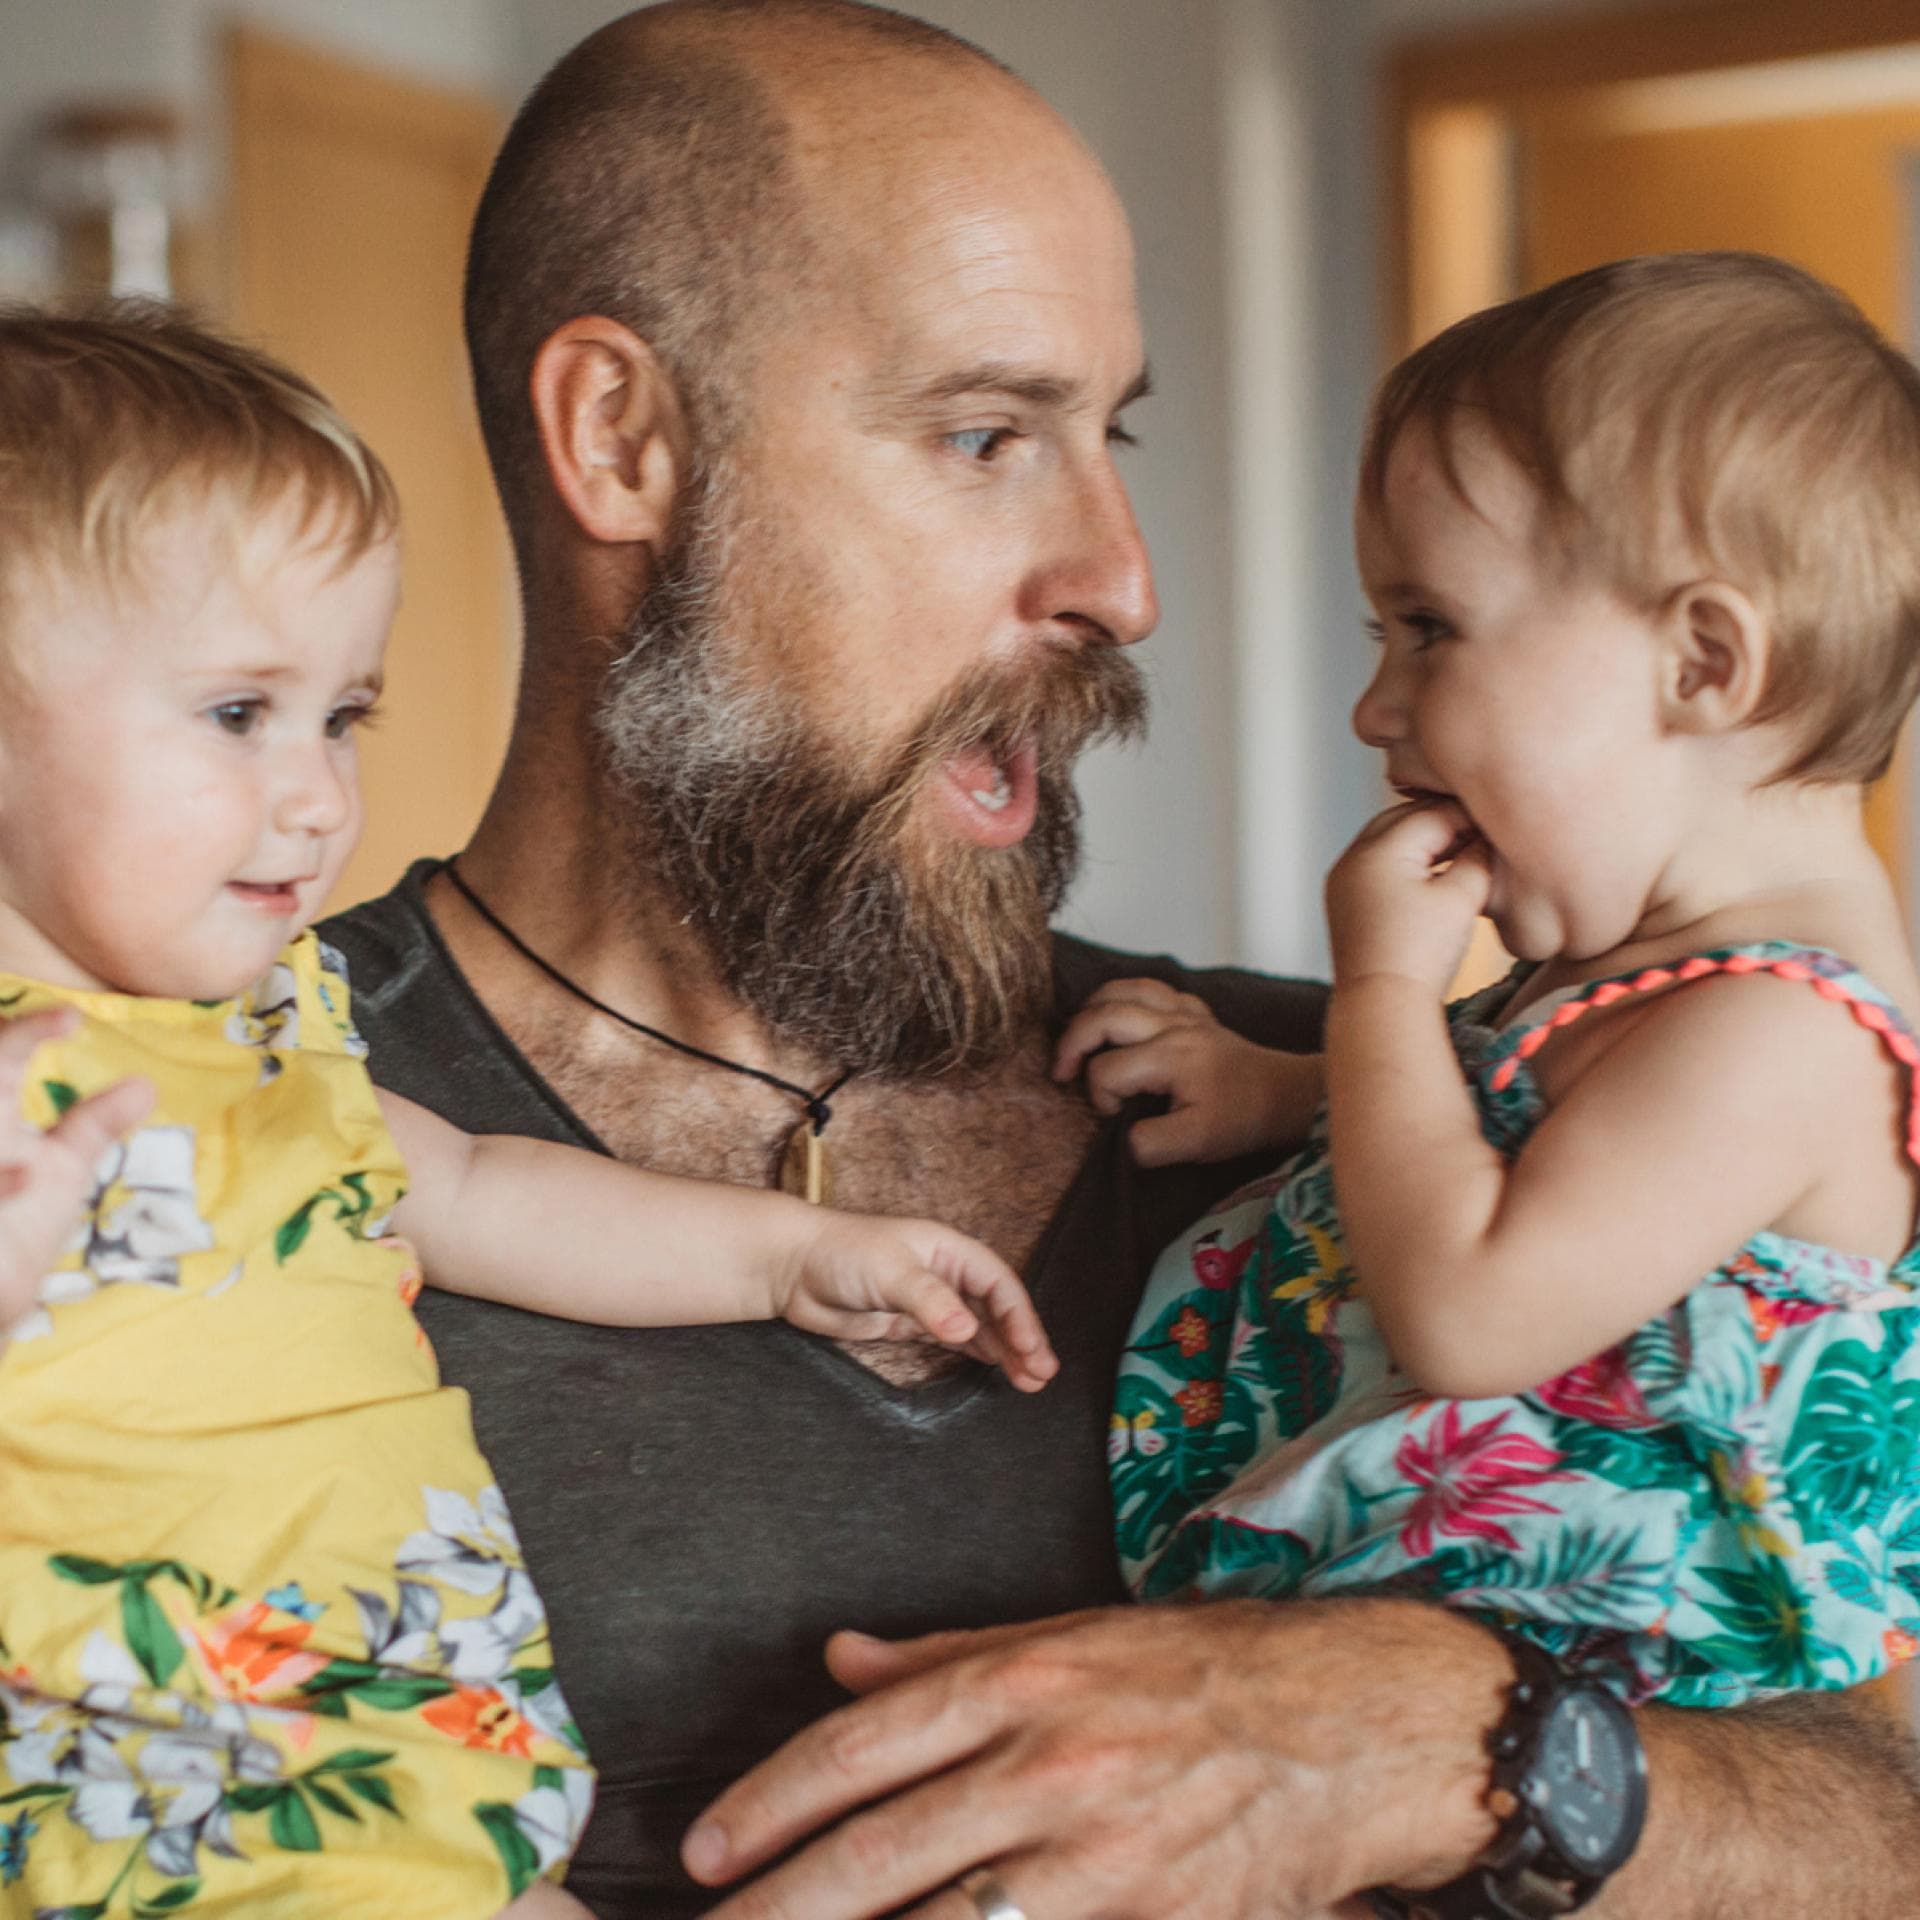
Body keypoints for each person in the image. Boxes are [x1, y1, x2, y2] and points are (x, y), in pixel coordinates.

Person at [320, 5, 1920, 1918]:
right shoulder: (199, 1141)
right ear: (626, 441)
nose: (1124, 578)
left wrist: (1470, 1746)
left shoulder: (1390, 1106)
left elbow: (1887, 1781)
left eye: (1113, 432)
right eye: (989, 434)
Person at [0, 303, 1055, 1920]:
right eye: (236, 714)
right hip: (151, 1825)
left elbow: (482, 1188)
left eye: (342, 718)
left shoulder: (276, 1030)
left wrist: (784, 1257)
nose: (313, 794)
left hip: (431, 1797)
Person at [1063, 254, 1920, 1721]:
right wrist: (1282, 1091)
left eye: (1432, 629)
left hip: (1577, 1710)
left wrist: (1383, 993)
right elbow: (1523, 1130)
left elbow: (1472, 1311)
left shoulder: (1780, 1036)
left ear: (1701, 662)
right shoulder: (1621, 970)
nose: (1374, 708)